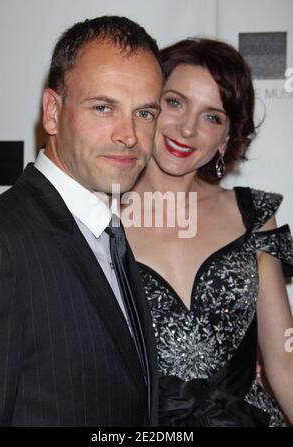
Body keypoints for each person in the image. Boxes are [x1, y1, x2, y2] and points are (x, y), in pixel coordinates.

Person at [0, 16, 163, 426]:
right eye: (103, 108)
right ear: (52, 112)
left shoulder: (107, 231)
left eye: (144, 112)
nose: (129, 135)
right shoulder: (2, 242)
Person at [124, 38, 293, 426]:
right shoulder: (97, 219)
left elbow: (283, 360)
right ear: (148, 104)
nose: (187, 128)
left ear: (226, 139)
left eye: (212, 117)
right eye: (175, 102)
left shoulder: (252, 215)